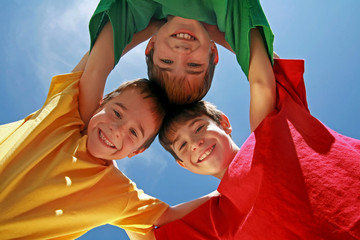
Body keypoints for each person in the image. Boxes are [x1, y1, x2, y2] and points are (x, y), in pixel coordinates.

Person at [153, 33, 360, 239]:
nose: (195, 144)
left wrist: (212, 29)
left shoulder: (270, 131)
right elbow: (148, 222)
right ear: (183, 164)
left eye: (198, 128)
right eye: (182, 146)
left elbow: (263, 74)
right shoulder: (215, 217)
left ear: (224, 123)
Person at [0, 44, 218, 238]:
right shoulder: (62, 118)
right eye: (116, 113)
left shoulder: (117, 192)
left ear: (137, 151)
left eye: (134, 133)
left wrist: (233, 183)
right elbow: (99, 56)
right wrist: (147, 27)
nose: (117, 130)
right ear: (100, 104)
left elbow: (168, 216)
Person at [88, 0, 274, 104]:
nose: (182, 52)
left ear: (151, 45)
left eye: (167, 61)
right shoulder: (228, 10)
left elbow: (94, 70)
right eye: (194, 65)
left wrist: (148, 29)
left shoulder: (138, 7)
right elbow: (266, 80)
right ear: (213, 53)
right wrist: (219, 35)